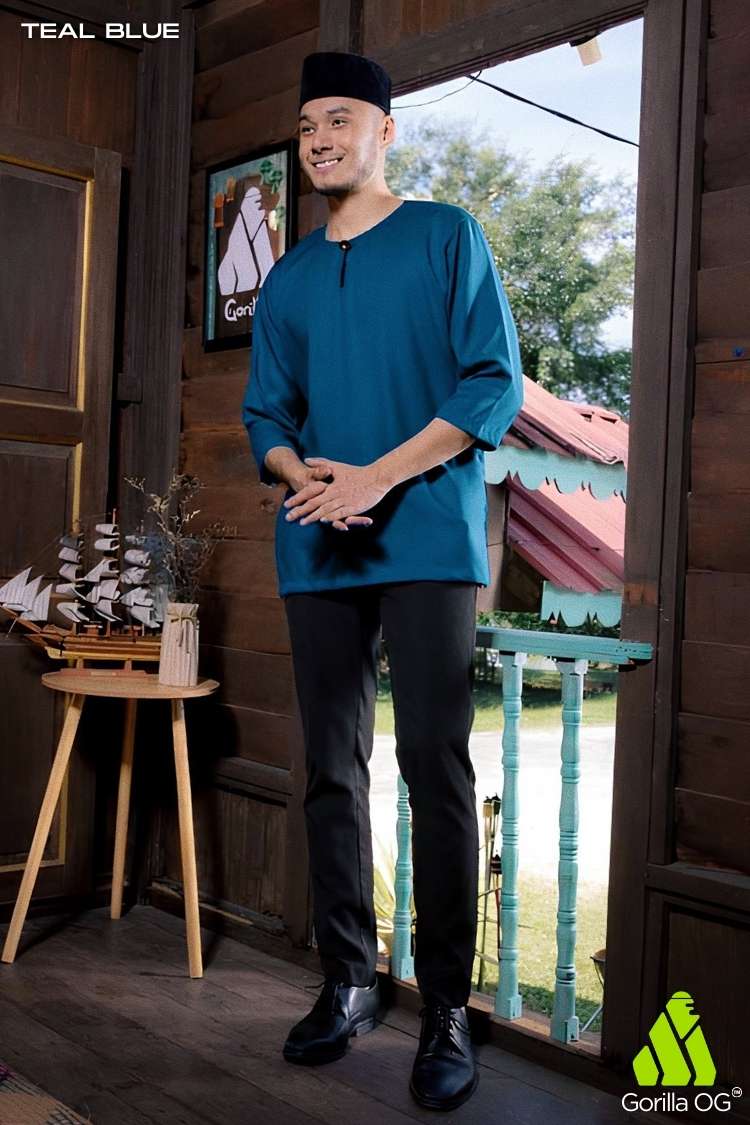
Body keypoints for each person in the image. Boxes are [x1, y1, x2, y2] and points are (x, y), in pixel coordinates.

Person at [242, 49, 524, 1112]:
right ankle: (350, 978)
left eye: (341, 118)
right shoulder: (288, 277)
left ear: (386, 130)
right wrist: (301, 475)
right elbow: (266, 414)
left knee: (433, 768)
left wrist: (377, 475)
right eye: (307, 123)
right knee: (330, 768)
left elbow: (490, 382)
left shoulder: (448, 236)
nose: (320, 138)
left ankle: (445, 1006)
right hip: (318, 542)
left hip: (430, 541)